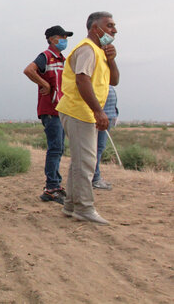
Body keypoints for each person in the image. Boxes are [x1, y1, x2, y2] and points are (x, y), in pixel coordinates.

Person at [56, 11, 119, 225]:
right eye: (109, 26)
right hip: (78, 111)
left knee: (80, 161)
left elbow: (114, 81)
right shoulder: (87, 49)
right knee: (86, 163)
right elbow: (82, 80)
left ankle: (72, 205)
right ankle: (84, 208)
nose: (114, 30)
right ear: (95, 28)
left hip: (83, 112)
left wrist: (112, 60)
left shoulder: (100, 52)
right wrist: (98, 111)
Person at [23, 26, 74, 204]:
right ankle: (51, 187)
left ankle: (55, 186)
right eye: (62, 37)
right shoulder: (46, 56)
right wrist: (44, 83)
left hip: (60, 109)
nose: (65, 40)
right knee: (55, 149)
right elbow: (29, 70)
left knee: (58, 148)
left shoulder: (62, 59)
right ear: (52, 39)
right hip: (50, 109)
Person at [93, 85, 118, 190]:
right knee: (96, 149)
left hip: (107, 116)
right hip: (101, 118)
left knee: (99, 148)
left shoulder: (106, 79)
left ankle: (95, 177)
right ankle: (95, 178)